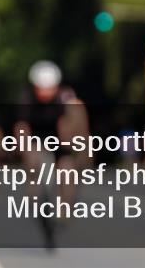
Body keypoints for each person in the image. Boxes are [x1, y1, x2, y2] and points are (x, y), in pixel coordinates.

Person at [15, 60, 90, 249]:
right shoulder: (27, 97)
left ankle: (64, 209)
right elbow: (22, 127)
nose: (45, 94)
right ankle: (35, 199)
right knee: (33, 161)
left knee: (67, 171)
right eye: (41, 89)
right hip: (37, 138)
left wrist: (80, 147)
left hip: (61, 138)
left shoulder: (67, 97)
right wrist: (24, 149)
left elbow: (78, 123)